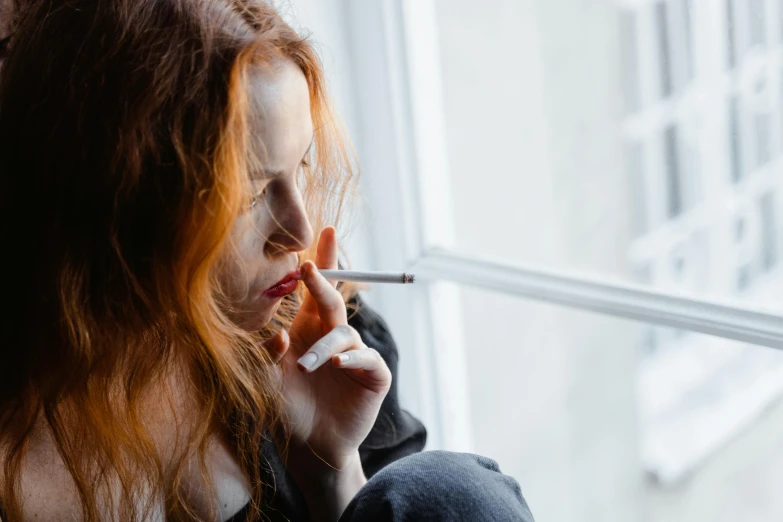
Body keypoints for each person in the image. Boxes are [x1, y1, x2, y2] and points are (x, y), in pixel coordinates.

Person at [0, 1, 535, 521]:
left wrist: (332, 470)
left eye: (300, 166)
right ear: (118, 203)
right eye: (249, 197)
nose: (299, 232)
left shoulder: (315, 343)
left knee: (452, 493)